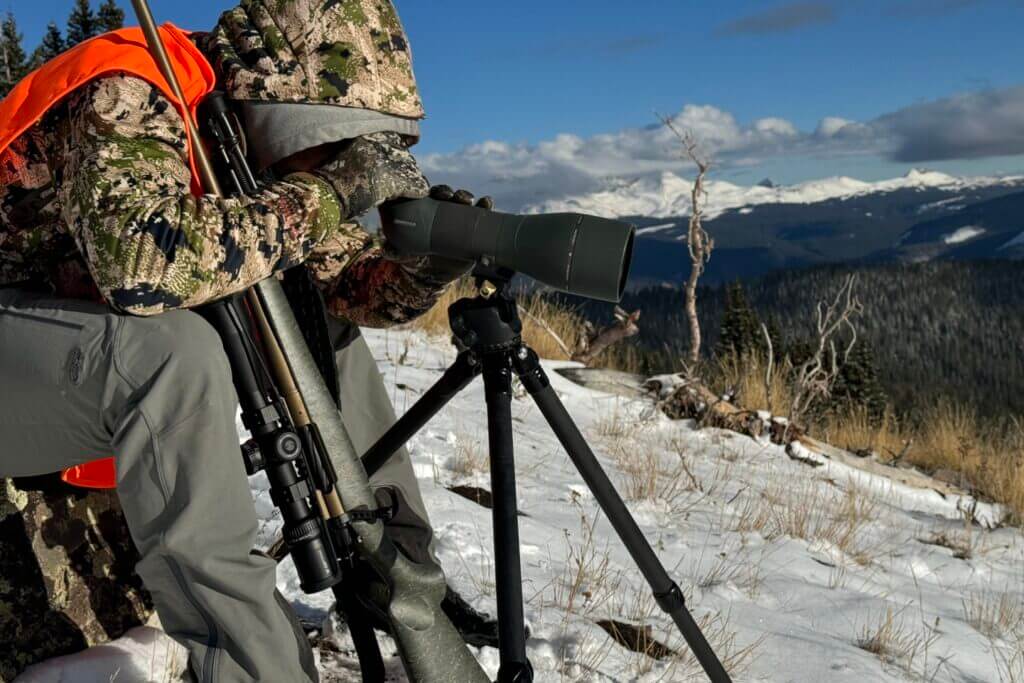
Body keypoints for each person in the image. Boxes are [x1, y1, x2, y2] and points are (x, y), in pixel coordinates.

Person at [0, 1, 492, 681]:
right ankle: (253, 666)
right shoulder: (129, 88)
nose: (338, 167)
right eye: (333, 144)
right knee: (173, 355)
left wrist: (419, 274)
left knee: (317, 324)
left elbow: (341, 283)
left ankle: (395, 560)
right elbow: (142, 264)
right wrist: (323, 195)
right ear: (281, 110)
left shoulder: (230, 131)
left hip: (54, 370)